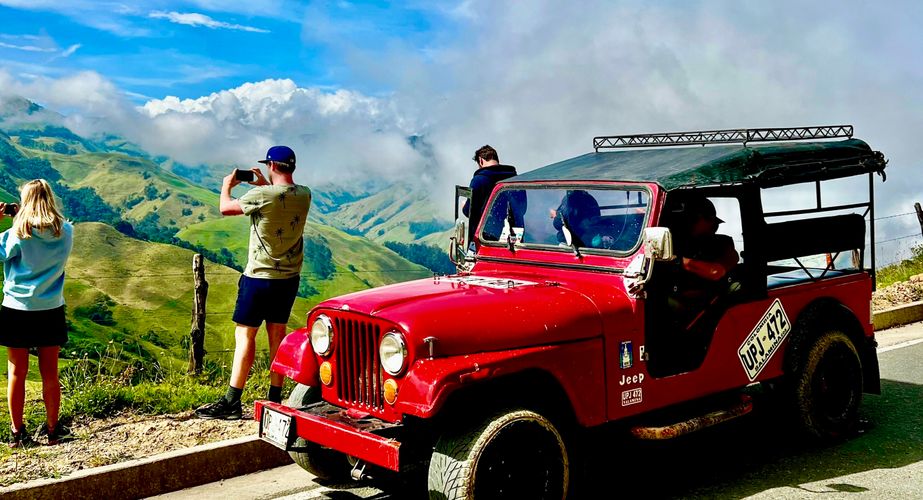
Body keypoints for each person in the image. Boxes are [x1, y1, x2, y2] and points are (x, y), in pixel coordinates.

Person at [196, 146, 311, 420]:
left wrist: (227, 185)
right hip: (288, 279)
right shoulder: (305, 194)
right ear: (291, 167)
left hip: (259, 278)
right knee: (277, 335)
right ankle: (275, 398)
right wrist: (265, 183)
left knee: (245, 336)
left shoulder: (261, 195)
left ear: (271, 165)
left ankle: (232, 401)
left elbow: (226, 208)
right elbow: (280, 195)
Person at [0, 179, 74, 448]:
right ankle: (53, 430)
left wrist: (7, 220)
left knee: (17, 373)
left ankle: (17, 433)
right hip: (50, 308)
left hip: (16, 309)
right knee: (50, 374)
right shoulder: (66, 231)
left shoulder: (17, 233)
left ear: (26, 201)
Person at [666, 194, 739, 328]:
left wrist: (678, 262)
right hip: (681, 301)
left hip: (714, 307)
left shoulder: (722, 243)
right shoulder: (677, 243)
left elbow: (716, 271)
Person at [463, 145, 520, 245]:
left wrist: (464, 207)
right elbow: (522, 209)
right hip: (513, 240)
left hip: (485, 239)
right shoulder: (515, 179)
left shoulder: (479, 180)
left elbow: (470, 212)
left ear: (480, 161)